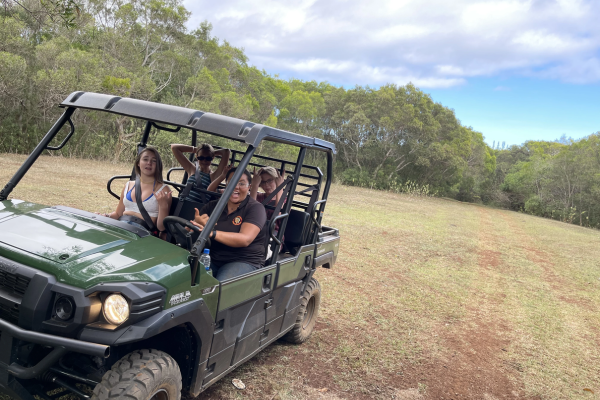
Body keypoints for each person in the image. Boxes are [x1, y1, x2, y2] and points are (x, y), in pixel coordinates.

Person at [190, 167, 267, 281]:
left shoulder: (255, 208)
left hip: (243, 260)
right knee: (184, 277)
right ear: (226, 184)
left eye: (241, 183)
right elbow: (190, 230)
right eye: (232, 182)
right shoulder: (213, 206)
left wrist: (211, 232)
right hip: (212, 256)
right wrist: (195, 225)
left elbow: (245, 239)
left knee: (220, 286)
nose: (236, 187)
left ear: (249, 187)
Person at [100, 146, 172, 236]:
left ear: (158, 165)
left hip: (142, 231)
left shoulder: (163, 189)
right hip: (121, 225)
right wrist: (106, 216)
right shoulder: (129, 185)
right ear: (138, 163)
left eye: (154, 161)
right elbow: (118, 213)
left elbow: (161, 228)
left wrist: (163, 206)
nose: (149, 163)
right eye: (145, 159)